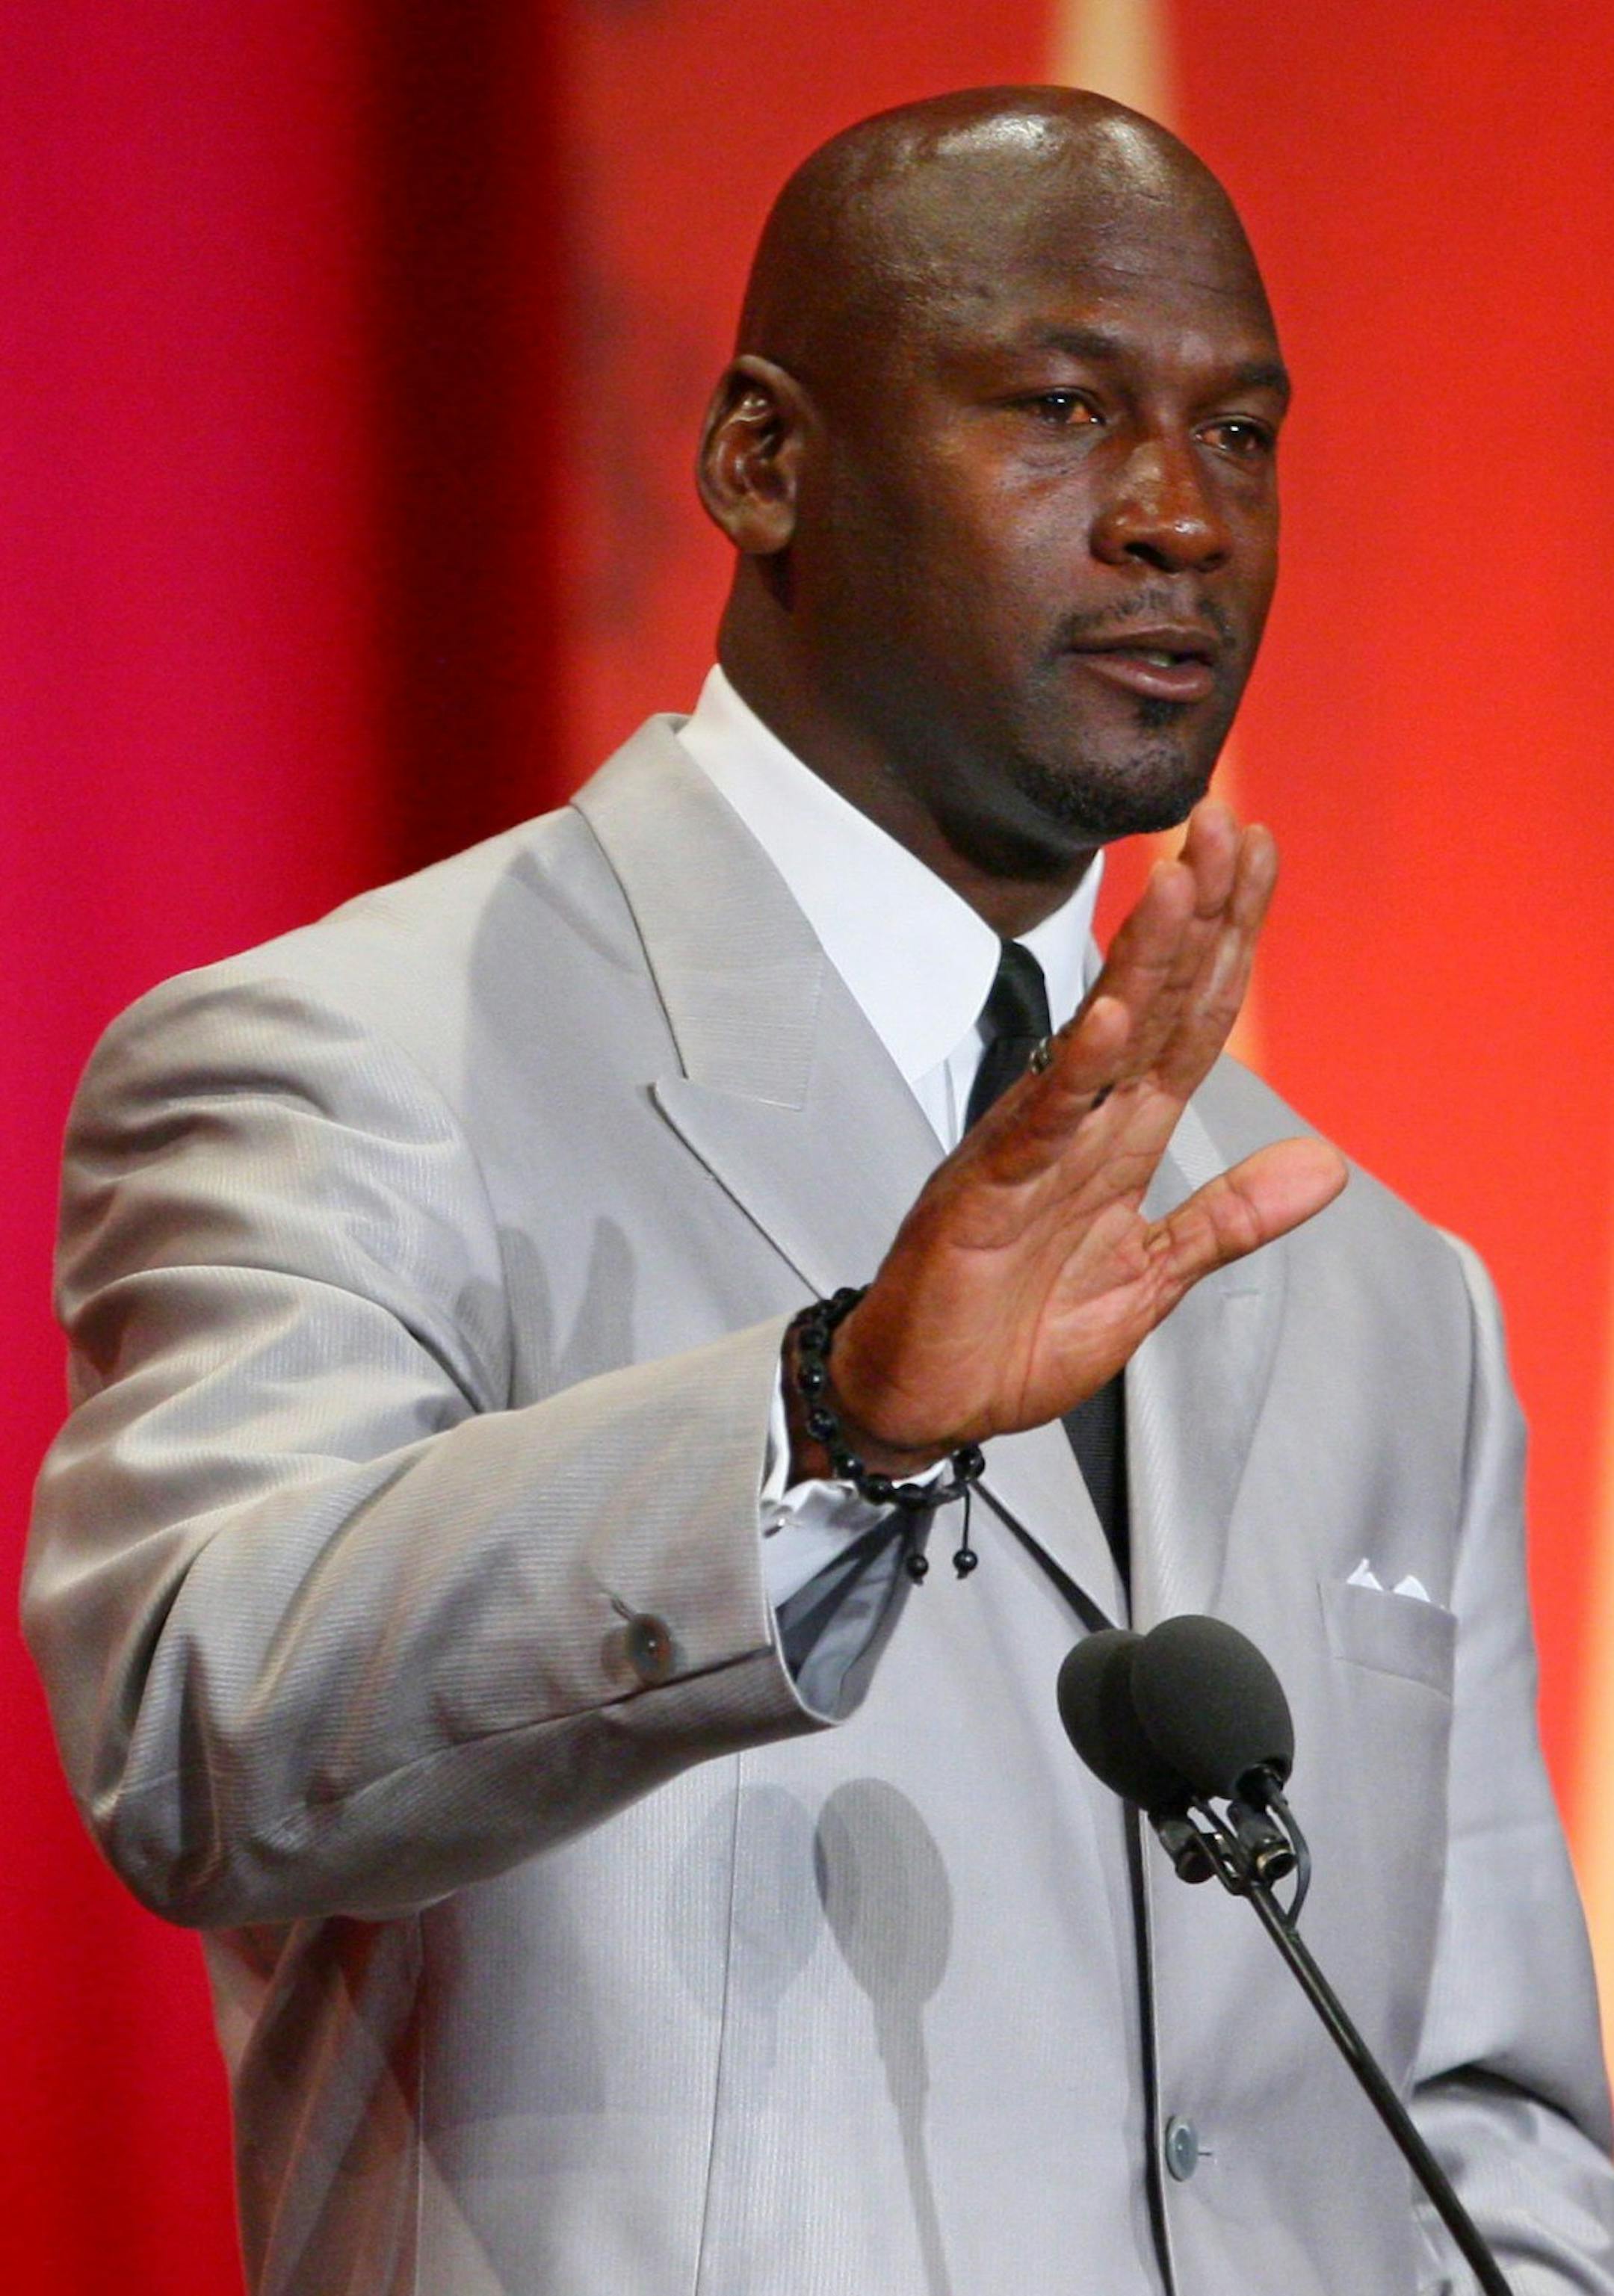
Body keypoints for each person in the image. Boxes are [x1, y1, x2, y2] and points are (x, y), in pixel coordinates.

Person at [23, 85, 1614, 2296]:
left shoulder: (1378, 1279)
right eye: (1065, 407)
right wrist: (826, 1419)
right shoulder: (353, 1058)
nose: (1182, 516)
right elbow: (202, 1727)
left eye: (1242, 435)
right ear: (763, 461)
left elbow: (1486, 2122)